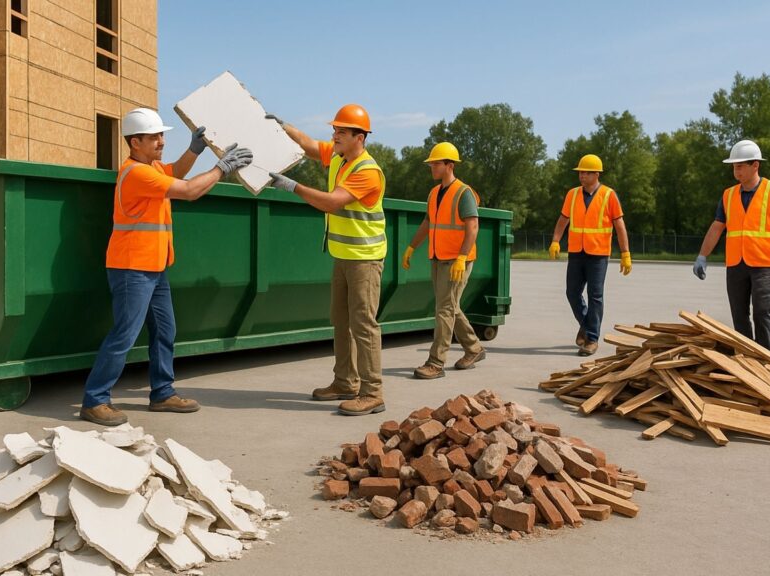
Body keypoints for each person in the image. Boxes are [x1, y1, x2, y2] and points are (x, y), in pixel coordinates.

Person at [80, 108, 254, 426]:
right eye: (155, 137)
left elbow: (175, 173)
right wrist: (221, 168)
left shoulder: (153, 168)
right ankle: (94, 400)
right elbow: (187, 191)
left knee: (165, 330)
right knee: (125, 334)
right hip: (132, 268)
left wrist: (194, 150)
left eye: (162, 135)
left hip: (154, 266)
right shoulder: (136, 173)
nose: (162, 141)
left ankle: (162, 393)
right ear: (135, 142)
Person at [266, 104, 387, 416]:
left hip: (364, 258)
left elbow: (333, 203)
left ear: (359, 137)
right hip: (343, 256)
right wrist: (283, 124)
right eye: (334, 130)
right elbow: (307, 145)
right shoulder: (338, 157)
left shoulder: (367, 171)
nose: (334, 135)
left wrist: (293, 187)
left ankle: (372, 392)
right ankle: (345, 382)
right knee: (341, 321)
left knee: (363, 325)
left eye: (340, 131)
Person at [693, 139, 770, 351]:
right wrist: (702, 256)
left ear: (755, 165)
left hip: (764, 264)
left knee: (762, 311)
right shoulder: (728, 195)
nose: (736, 170)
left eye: (740, 166)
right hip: (736, 264)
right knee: (739, 314)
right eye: (734, 166)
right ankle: (746, 359)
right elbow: (717, 227)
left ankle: (764, 359)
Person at [402, 142, 486, 379]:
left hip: (457, 260)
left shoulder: (464, 193)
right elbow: (428, 223)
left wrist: (461, 257)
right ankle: (474, 348)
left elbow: (473, 226)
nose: (431, 167)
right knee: (449, 307)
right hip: (438, 257)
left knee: (444, 309)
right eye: (431, 163)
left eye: (436, 163)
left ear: (449, 165)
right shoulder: (433, 193)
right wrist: (411, 247)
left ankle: (436, 362)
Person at [548, 154, 632, 356]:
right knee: (572, 293)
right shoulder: (573, 194)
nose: (582, 176)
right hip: (576, 252)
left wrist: (625, 253)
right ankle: (586, 325)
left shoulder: (609, 195)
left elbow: (619, 225)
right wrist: (555, 241)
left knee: (595, 296)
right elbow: (563, 219)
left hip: (598, 254)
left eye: (586, 172)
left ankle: (592, 339)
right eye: (580, 172)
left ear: (596, 174)